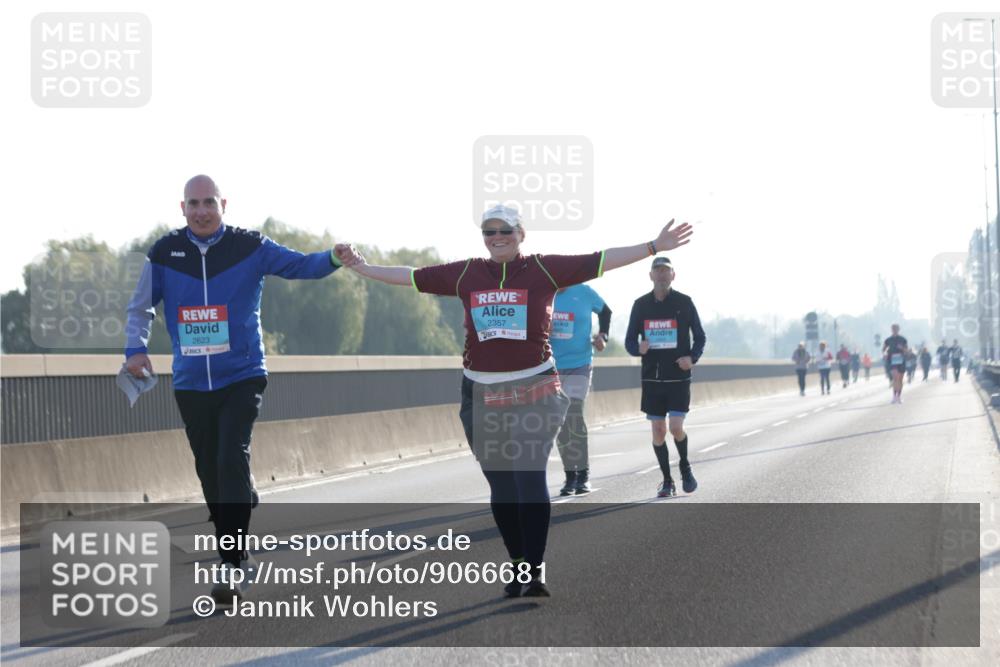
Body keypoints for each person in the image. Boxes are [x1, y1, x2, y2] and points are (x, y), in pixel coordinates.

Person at [335, 206, 693, 598]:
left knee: (528, 476)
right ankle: (520, 563)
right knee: (502, 487)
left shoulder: (544, 269)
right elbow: (412, 277)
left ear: (521, 233)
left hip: (535, 390)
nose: (496, 237)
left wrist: (654, 246)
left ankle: (535, 570)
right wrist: (363, 268)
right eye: (489, 231)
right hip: (480, 393)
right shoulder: (467, 273)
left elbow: (602, 260)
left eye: (505, 230)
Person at [125, 175, 342, 603]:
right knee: (210, 469)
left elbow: (300, 266)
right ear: (182, 208)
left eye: (209, 202)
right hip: (190, 380)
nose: (202, 210)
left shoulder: (250, 246)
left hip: (242, 373)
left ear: (223, 204)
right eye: (193, 203)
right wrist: (135, 349)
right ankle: (237, 502)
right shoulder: (165, 252)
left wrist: (334, 258)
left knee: (230, 456)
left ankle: (232, 562)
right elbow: (141, 306)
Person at [625, 256, 706, 498]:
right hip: (652, 378)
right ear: (651, 275)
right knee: (658, 431)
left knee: (675, 428)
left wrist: (692, 358)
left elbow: (700, 337)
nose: (661, 275)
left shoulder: (684, 302)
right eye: (657, 271)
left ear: (673, 275)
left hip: (678, 378)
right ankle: (667, 480)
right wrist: (636, 348)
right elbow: (630, 340)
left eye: (666, 271)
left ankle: (684, 465)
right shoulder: (640, 305)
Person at [550, 283, 612, 495]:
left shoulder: (583, 292)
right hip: (550, 366)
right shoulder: (542, 291)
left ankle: (583, 474)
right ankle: (570, 477)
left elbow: (606, 311)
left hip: (580, 363)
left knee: (574, 414)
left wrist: (602, 336)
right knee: (559, 422)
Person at [882, 324, 909, 403]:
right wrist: (885, 353)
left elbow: (906, 350)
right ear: (891, 330)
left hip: (901, 360)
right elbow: (883, 349)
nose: (894, 330)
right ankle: (894, 396)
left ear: (898, 329)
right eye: (893, 329)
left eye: (896, 329)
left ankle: (899, 396)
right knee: (895, 378)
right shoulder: (888, 340)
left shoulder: (903, 339)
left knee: (900, 379)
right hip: (892, 360)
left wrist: (902, 348)